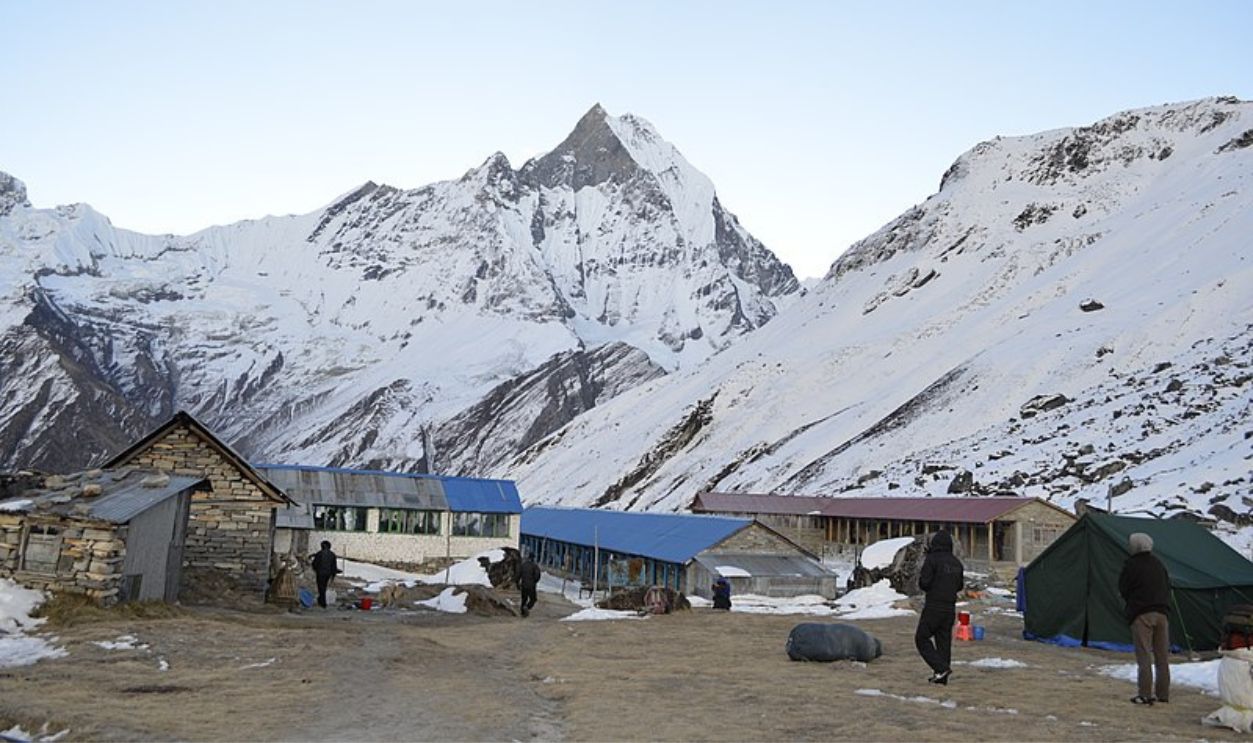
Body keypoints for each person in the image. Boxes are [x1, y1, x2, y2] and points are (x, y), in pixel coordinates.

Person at [1119, 532, 1171, 705]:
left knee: (1144, 656)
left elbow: (1123, 588)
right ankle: (1163, 694)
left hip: (1141, 613)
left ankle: (1145, 694)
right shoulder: (1159, 564)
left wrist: (1132, 603)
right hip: (1162, 613)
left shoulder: (1131, 565)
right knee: (1162, 656)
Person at [915, 530, 964, 685]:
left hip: (934, 606)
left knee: (921, 638)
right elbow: (959, 586)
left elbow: (925, 583)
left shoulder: (932, 559)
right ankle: (942, 677)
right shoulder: (957, 563)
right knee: (943, 642)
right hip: (950, 608)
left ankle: (941, 668)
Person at [310, 540, 341, 608]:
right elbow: (334, 566)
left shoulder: (319, 554)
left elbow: (314, 564)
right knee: (324, 586)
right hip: (328, 574)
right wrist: (333, 575)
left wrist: (315, 569)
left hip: (320, 573)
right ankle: (321, 600)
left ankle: (322, 602)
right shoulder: (332, 554)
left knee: (321, 587)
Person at [518, 553, 541, 617]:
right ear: (533, 558)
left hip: (524, 584)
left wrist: (519, 582)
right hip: (531, 585)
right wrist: (534, 581)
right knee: (533, 599)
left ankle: (522, 612)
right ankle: (527, 607)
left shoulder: (523, 565)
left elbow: (518, 574)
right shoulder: (535, 566)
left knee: (524, 599)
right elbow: (537, 576)